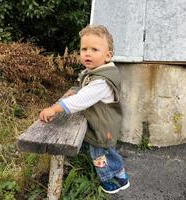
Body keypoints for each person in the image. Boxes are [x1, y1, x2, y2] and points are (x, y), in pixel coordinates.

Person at [39, 25, 130, 194]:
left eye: (94, 49)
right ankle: (120, 174)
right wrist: (76, 91)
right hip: (102, 122)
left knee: (100, 154)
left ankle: (110, 179)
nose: (87, 53)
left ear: (108, 55)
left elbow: (82, 100)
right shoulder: (95, 72)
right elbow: (86, 90)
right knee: (106, 152)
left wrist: (54, 108)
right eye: (84, 49)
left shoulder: (102, 81)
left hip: (103, 127)